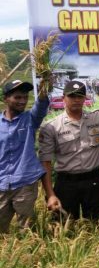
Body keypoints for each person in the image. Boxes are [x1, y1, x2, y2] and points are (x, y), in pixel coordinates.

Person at [39, 81, 99, 220]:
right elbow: (45, 163)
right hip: (66, 184)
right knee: (65, 230)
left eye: (80, 96)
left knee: (98, 225)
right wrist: (50, 194)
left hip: (93, 181)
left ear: (85, 98)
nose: (76, 100)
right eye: (72, 96)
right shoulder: (51, 127)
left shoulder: (98, 118)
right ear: (63, 98)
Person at [0, 80, 60, 232]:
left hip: (25, 182)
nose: (22, 101)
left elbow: (41, 106)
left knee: (26, 230)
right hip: (1, 182)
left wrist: (44, 88)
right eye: (17, 97)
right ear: (6, 98)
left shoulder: (30, 119)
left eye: (25, 97)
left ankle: (29, 253)